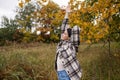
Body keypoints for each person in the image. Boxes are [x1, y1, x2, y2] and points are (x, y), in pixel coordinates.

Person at [55, 4, 82, 80]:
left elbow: (76, 28)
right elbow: (63, 26)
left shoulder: (72, 45)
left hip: (67, 74)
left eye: (65, 33)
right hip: (60, 73)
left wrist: (72, 29)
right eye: (63, 33)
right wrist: (67, 13)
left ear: (70, 36)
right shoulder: (62, 43)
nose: (63, 34)